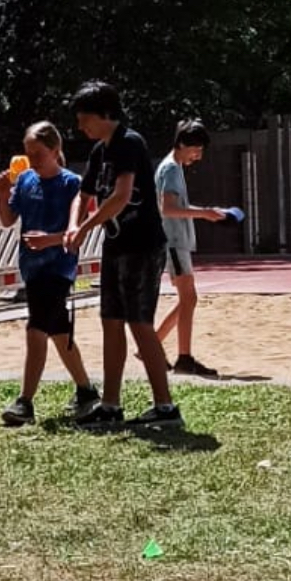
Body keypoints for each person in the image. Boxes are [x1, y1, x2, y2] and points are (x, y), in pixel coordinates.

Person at [64, 80, 184, 429]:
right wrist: (73, 224)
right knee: (111, 321)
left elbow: (121, 195)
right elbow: (83, 195)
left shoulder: (129, 143)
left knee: (140, 323)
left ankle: (165, 407)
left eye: (85, 119)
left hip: (143, 244)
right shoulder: (99, 152)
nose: (80, 126)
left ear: (105, 114)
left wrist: (84, 228)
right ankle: (111, 405)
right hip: (116, 245)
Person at [0, 121, 99, 426]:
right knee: (59, 331)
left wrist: (49, 240)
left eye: (38, 154)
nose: (32, 160)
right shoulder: (26, 180)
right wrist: (1, 193)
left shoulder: (71, 184)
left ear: (55, 150)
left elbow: (77, 232)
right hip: (32, 267)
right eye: (28, 154)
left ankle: (25, 401)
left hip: (58, 268)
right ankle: (86, 390)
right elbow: (7, 219)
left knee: (36, 328)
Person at [154, 119, 228, 377]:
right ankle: (182, 357)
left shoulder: (172, 167)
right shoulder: (171, 169)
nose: (198, 156)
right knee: (188, 298)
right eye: (196, 150)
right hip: (174, 241)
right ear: (182, 144)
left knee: (188, 299)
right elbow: (168, 208)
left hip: (177, 241)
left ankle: (152, 345)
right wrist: (204, 213)